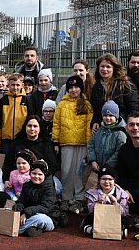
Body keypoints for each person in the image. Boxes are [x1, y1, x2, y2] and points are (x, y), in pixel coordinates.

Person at [53, 75, 93, 214]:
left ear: (81, 89)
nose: (74, 90)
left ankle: (79, 198)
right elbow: (56, 124)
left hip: (82, 143)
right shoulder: (62, 104)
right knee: (66, 170)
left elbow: (89, 125)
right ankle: (66, 197)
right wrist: (56, 141)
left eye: (76, 87)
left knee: (79, 171)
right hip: (66, 142)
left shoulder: (86, 104)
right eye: (71, 88)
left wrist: (89, 145)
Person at [3, 115, 59, 185]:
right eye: (29, 126)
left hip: (41, 178)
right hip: (19, 179)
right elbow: (8, 164)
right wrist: (6, 180)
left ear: (40, 128)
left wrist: (41, 177)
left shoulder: (46, 144)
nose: (32, 129)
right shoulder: (16, 144)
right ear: (25, 127)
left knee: (57, 187)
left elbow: (53, 165)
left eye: (35, 126)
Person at [89, 54, 139, 132]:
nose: (105, 69)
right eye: (102, 66)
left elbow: (133, 108)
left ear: (114, 68)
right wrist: (95, 122)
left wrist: (128, 125)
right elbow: (96, 110)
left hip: (122, 128)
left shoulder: (125, 85)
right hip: (104, 129)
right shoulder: (96, 87)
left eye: (108, 67)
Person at [10, 160, 58, 237]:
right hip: (29, 214)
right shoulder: (26, 185)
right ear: (30, 173)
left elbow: (45, 207)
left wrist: (26, 213)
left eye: (40, 174)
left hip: (48, 217)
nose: (36, 176)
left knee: (40, 218)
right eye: (34, 173)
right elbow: (21, 202)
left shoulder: (50, 189)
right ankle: (30, 228)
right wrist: (17, 212)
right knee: (9, 210)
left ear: (45, 175)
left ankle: (14, 228)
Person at [81, 167, 133, 237]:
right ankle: (91, 230)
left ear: (114, 181)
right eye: (104, 179)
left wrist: (115, 204)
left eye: (110, 179)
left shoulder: (122, 193)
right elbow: (90, 210)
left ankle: (120, 230)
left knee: (128, 219)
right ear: (99, 181)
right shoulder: (92, 193)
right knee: (89, 217)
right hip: (99, 218)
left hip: (115, 219)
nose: (107, 182)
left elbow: (125, 212)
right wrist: (98, 203)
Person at [0, 73, 29, 155]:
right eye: (13, 85)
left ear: (22, 85)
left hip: (21, 138)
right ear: (8, 85)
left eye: (18, 85)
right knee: (7, 161)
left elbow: (30, 119)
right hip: (6, 138)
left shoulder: (26, 100)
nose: (15, 87)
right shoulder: (3, 100)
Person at [87, 101, 127, 173]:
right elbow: (90, 145)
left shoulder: (120, 133)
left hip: (112, 170)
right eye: (105, 115)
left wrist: (107, 165)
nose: (108, 118)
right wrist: (92, 160)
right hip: (97, 168)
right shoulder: (99, 131)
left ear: (116, 116)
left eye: (111, 116)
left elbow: (119, 152)